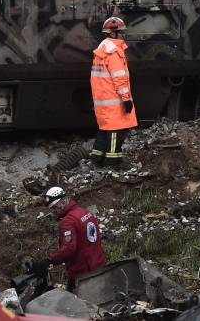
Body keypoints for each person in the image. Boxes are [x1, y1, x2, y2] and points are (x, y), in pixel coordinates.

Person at [90, 16, 137, 167]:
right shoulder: (114, 52)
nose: (123, 35)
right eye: (121, 32)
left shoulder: (101, 50)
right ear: (113, 33)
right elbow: (119, 78)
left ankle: (97, 157)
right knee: (117, 129)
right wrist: (126, 99)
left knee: (105, 129)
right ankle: (113, 161)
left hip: (103, 99)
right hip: (114, 99)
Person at [42, 187, 106, 293]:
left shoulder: (68, 222)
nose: (53, 211)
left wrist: (50, 260)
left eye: (54, 207)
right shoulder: (84, 212)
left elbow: (69, 248)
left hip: (82, 273)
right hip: (99, 265)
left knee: (76, 305)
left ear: (62, 202)